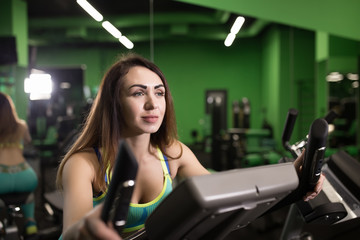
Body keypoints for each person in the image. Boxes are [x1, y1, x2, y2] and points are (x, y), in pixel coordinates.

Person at [56, 53, 325, 240]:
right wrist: (85, 230)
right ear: (114, 104)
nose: (153, 104)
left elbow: (229, 197)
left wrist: (292, 178)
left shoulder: (173, 153)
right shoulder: (84, 164)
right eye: (138, 93)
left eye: (159, 92)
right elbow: (72, 232)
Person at [0, 92, 38, 238]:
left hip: (1, 178)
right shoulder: (21, 126)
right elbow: (28, 141)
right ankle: (30, 223)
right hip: (25, 176)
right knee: (29, 196)